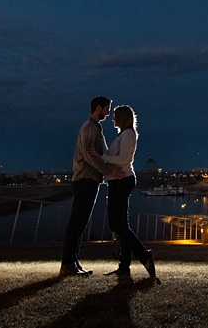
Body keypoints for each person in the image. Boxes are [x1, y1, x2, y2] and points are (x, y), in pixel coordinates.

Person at [60, 96, 123, 277]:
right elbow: (89, 156)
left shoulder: (95, 128)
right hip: (86, 180)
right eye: (106, 109)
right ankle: (68, 264)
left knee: (80, 222)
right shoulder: (89, 128)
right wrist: (108, 169)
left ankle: (73, 262)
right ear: (98, 108)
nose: (108, 113)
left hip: (90, 180)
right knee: (77, 222)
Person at [89, 105, 156, 279]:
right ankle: (124, 266)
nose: (112, 118)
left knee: (116, 225)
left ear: (122, 117)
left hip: (121, 181)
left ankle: (143, 254)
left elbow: (123, 159)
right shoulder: (125, 134)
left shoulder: (127, 134)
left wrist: (100, 156)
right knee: (121, 225)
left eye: (115, 116)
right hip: (119, 181)